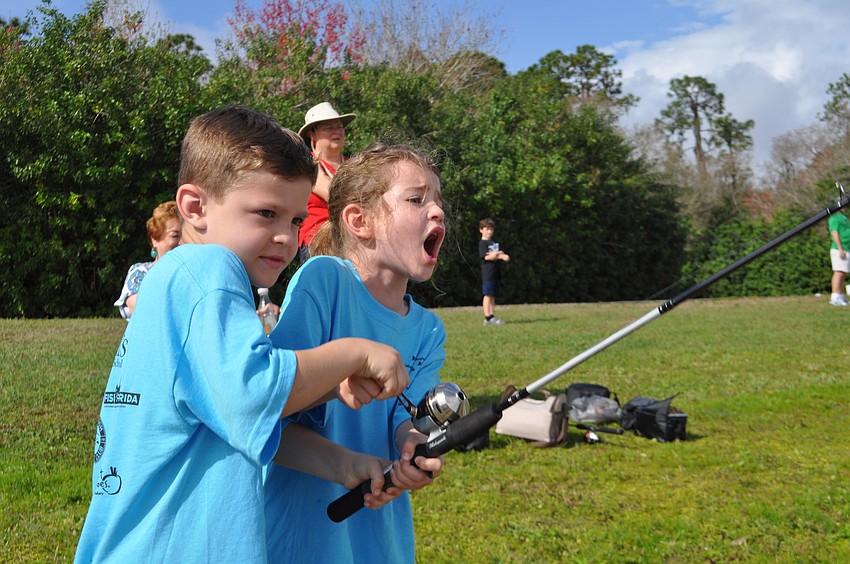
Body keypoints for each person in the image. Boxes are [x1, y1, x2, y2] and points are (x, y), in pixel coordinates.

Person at [74, 107, 411, 563]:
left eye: (294, 221)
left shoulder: (180, 279)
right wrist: (353, 354)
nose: (285, 238)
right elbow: (253, 393)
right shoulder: (210, 271)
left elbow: (236, 418)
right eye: (266, 213)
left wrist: (343, 462)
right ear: (195, 207)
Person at [264, 143, 447, 563]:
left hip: (380, 540)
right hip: (305, 536)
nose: (437, 211)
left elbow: (411, 416)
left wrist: (413, 449)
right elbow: (271, 411)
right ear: (359, 220)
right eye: (417, 199)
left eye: (438, 201)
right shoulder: (324, 281)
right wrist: (345, 463)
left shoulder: (428, 330)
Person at [296, 101, 356, 262]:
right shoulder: (307, 164)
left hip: (353, 240)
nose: (336, 131)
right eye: (328, 128)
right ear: (312, 134)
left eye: (339, 127)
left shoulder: (353, 164)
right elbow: (335, 196)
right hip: (319, 242)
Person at [113, 200, 182, 319]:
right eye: (175, 236)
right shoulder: (140, 272)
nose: (182, 242)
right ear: (154, 239)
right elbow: (140, 308)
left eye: (186, 236)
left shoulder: (197, 273)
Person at [479, 217, 510, 325]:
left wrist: (499, 255)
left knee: (492, 295)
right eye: (487, 229)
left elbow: (495, 255)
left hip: (495, 273)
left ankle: (492, 316)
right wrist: (498, 255)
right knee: (487, 295)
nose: (489, 231)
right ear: (481, 230)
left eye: (491, 229)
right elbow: (486, 257)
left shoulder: (492, 243)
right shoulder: (483, 243)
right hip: (488, 273)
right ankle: (487, 317)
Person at [828, 203, 850, 305]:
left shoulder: (843, 217)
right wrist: (840, 248)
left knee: (843, 272)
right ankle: (835, 296)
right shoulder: (834, 218)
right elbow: (834, 233)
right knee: (839, 272)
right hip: (839, 249)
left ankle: (840, 294)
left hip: (846, 248)